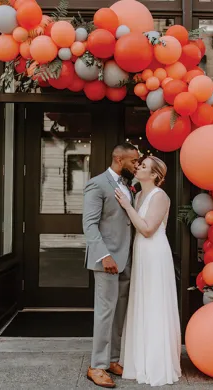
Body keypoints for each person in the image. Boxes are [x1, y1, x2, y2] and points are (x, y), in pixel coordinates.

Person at [115, 156, 182, 387]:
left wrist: (126, 205)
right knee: (142, 301)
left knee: (154, 302)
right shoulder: (139, 195)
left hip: (154, 253)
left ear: (154, 175)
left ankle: (155, 363)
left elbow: (146, 228)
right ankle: (139, 359)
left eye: (143, 166)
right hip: (141, 253)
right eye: (140, 165)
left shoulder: (159, 196)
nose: (138, 167)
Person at [83, 143, 140, 388]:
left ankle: (113, 359)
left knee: (119, 312)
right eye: (133, 161)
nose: (136, 165)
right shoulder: (97, 184)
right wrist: (104, 255)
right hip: (107, 260)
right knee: (105, 312)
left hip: (126, 259)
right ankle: (96, 366)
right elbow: (89, 224)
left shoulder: (128, 186)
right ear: (118, 159)